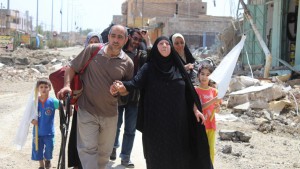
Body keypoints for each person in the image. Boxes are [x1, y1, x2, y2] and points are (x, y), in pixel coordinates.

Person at [110, 36, 214, 169]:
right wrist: (121, 85)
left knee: (179, 157)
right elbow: (135, 83)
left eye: (167, 44)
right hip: (156, 125)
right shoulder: (149, 67)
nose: (164, 46)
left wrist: (196, 110)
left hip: (178, 124)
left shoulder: (178, 68)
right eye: (161, 44)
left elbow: (189, 93)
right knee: (157, 158)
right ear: (155, 48)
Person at [57, 24, 134, 169]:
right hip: (87, 110)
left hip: (110, 114)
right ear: (108, 36)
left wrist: (121, 89)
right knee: (88, 151)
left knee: (103, 155)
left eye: (120, 37)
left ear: (126, 40)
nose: (116, 40)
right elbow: (72, 67)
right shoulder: (93, 50)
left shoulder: (128, 63)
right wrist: (67, 85)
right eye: (113, 36)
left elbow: (127, 90)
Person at [110, 28, 147, 168]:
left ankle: (125, 157)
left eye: (139, 40)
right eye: (135, 38)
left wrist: (147, 39)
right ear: (129, 37)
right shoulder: (119, 52)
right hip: (119, 96)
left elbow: (151, 57)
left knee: (130, 130)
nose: (136, 41)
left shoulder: (141, 55)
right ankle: (113, 147)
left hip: (134, 97)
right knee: (116, 125)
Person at [68, 31, 102, 169]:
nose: (93, 45)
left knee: (95, 138)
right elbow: (71, 71)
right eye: (91, 42)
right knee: (79, 135)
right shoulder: (81, 57)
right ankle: (77, 164)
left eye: (96, 42)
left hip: (98, 105)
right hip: (81, 104)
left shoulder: (103, 59)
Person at [194, 63, 221, 164]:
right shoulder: (195, 90)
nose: (204, 77)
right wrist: (212, 101)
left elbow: (217, 110)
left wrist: (217, 107)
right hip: (200, 126)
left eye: (208, 74)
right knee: (200, 151)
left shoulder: (214, 91)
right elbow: (198, 107)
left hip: (211, 125)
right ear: (198, 75)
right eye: (202, 74)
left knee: (211, 151)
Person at [31, 78, 59, 169]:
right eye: (41, 87)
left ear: (50, 88)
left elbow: (64, 109)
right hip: (37, 132)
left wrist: (68, 107)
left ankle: (47, 159)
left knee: (49, 149)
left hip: (49, 132)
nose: (43, 89)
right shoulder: (34, 102)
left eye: (46, 87)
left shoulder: (53, 102)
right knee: (37, 149)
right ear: (38, 89)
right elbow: (29, 114)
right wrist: (32, 120)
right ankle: (41, 166)